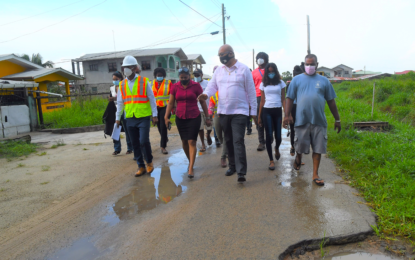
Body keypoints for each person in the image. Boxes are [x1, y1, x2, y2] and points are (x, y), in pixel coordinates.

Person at [199, 44, 257, 183]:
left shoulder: (243, 69)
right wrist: (206, 94)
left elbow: (251, 91)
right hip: (224, 111)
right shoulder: (219, 71)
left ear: (231, 54)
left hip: (240, 111)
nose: (221, 57)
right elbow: (212, 86)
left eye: (222, 54)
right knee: (229, 140)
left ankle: (241, 172)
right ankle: (232, 166)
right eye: (219, 55)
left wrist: (253, 112)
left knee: (238, 140)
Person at [284, 54, 341, 186]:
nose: (309, 66)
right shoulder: (296, 80)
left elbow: (331, 101)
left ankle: (315, 174)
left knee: (318, 148)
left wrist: (337, 119)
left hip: (319, 121)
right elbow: (289, 98)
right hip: (301, 121)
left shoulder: (324, 81)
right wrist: (287, 115)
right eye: (307, 64)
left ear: (317, 64)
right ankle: (298, 157)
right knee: (300, 147)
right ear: (304, 64)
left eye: (312, 64)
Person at [116, 56, 158, 177]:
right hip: (129, 117)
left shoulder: (144, 81)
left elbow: (152, 98)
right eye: (125, 67)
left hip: (143, 116)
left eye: (129, 67)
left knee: (144, 141)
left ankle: (149, 162)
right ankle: (141, 166)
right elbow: (120, 103)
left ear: (134, 68)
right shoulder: (122, 84)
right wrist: (117, 118)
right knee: (134, 143)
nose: (126, 69)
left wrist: (154, 115)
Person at [165, 67, 211, 178]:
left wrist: (207, 117)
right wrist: (166, 117)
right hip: (180, 117)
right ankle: (191, 160)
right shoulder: (175, 87)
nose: (183, 79)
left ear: (189, 76)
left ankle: (190, 168)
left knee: (192, 141)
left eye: (185, 77)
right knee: (184, 142)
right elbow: (171, 103)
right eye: (181, 78)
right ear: (179, 77)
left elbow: (203, 102)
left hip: (194, 116)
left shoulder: (196, 86)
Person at [258, 63, 286, 170]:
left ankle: (277, 148)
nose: (270, 73)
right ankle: (271, 160)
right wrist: (259, 116)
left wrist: (286, 115)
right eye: (268, 72)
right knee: (269, 136)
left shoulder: (281, 83)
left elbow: (283, 99)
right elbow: (262, 101)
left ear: (275, 71)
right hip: (267, 111)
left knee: (278, 137)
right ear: (266, 72)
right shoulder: (263, 84)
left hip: (277, 111)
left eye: (272, 71)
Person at [109, 71, 134, 155]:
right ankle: (117, 148)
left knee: (128, 130)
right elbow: (111, 98)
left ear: (121, 79)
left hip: (125, 110)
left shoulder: (124, 86)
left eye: (116, 79)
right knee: (115, 129)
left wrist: (114, 99)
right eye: (113, 79)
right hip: (116, 111)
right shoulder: (112, 88)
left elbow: (123, 98)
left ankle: (130, 148)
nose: (115, 81)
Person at [152, 67, 172, 155]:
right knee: (159, 126)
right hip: (155, 108)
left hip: (165, 107)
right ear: (155, 75)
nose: (159, 76)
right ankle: (165, 138)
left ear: (163, 75)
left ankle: (163, 146)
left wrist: (173, 107)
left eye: (160, 75)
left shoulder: (168, 83)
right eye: (157, 75)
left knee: (163, 126)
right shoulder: (150, 83)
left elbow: (172, 96)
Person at [252, 52, 269, 151]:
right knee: (260, 119)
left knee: (269, 119)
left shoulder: (271, 70)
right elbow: (250, 87)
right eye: (258, 58)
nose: (260, 59)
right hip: (258, 97)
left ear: (266, 59)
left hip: (269, 97)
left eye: (262, 57)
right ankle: (261, 142)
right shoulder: (253, 72)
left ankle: (269, 138)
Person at [286, 65, 304, 156]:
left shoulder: (303, 83)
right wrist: (288, 114)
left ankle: (299, 151)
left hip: (301, 107)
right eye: (295, 74)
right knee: (293, 128)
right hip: (293, 107)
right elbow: (288, 100)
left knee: (301, 129)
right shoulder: (290, 84)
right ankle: (293, 146)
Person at [193, 68, 212, 152]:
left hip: (208, 108)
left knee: (209, 126)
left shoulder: (207, 83)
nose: (196, 77)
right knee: (200, 128)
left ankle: (208, 134)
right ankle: (203, 144)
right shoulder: (193, 84)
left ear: (202, 75)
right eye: (195, 75)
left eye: (198, 75)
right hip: (198, 109)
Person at [209, 91, 228, 168]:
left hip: (226, 115)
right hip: (216, 116)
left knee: (225, 136)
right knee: (219, 135)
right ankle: (227, 148)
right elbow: (211, 104)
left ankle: (223, 157)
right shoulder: (214, 94)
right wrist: (209, 114)